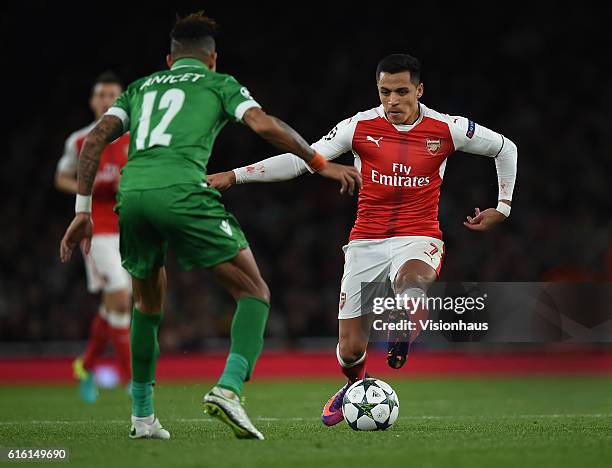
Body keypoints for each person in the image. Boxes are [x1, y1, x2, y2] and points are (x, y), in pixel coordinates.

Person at [59, 12, 360, 440]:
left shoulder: (139, 89)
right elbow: (265, 125)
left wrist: (82, 211)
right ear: (213, 58)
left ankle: (143, 418)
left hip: (133, 197)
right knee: (254, 292)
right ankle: (229, 388)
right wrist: (319, 163)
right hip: (183, 190)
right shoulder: (219, 84)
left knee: (146, 304)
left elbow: (92, 141)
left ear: (169, 59)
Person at [208, 53, 518, 427]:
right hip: (365, 242)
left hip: (418, 235)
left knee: (411, 280)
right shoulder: (359, 127)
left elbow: (505, 148)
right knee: (350, 348)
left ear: (419, 90)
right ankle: (356, 386)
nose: (393, 101)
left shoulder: (447, 128)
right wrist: (235, 175)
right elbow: (303, 160)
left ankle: (404, 316)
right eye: (385, 92)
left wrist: (503, 205)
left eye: (402, 92)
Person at [55, 72, 131, 403]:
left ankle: (85, 366)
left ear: (122, 99)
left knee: (113, 303)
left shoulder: (135, 138)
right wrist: (89, 186)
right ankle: (134, 380)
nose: (105, 100)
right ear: (92, 101)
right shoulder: (79, 141)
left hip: (128, 228)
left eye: (112, 94)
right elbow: (61, 178)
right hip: (96, 229)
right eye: (100, 94)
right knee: (120, 295)